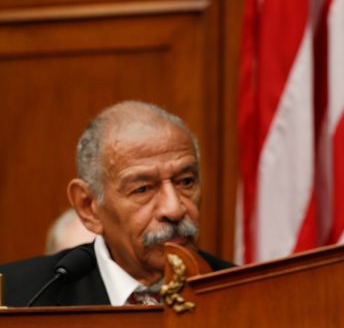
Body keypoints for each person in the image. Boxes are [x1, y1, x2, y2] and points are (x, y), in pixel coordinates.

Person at [0, 101, 232, 306]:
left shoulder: (242, 292)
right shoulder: (18, 295)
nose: (174, 209)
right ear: (88, 207)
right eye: (143, 189)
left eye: (186, 182)